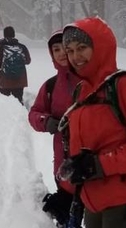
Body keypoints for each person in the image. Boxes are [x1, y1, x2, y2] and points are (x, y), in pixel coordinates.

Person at [58, 18, 126, 228]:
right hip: (94, 201)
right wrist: (77, 165)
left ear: (100, 47)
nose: (75, 57)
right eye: (70, 50)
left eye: (82, 48)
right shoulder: (82, 90)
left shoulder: (125, 85)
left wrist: (99, 165)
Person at [28, 30, 81, 227]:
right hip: (62, 159)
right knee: (67, 211)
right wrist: (46, 121)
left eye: (64, 48)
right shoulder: (51, 85)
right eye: (55, 49)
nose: (60, 53)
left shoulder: (91, 80)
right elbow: (34, 113)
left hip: (90, 161)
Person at [0, 26, 30, 104]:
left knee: (6, 105)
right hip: (20, 81)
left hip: (5, 81)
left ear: (4, 35)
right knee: (18, 101)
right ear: (14, 34)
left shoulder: (0, 47)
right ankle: (22, 115)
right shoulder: (21, 47)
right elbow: (28, 61)